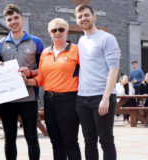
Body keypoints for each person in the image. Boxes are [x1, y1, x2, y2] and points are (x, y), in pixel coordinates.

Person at [20, 18, 81, 160]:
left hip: (68, 100)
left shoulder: (76, 50)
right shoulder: (45, 53)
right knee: (56, 143)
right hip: (49, 100)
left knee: (70, 142)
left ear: (67, 32)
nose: (57, 33)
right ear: (50, 33)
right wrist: (26, 81)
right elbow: (41, 78)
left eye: (61, 29)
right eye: (54, 30)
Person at [0, 4, 44, 160]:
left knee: (31, 137)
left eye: (16, 18)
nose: (13, 21)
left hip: (28, 98)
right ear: (5, 22)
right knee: (9, 138)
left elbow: (42, 70)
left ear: (22, 19)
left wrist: (29, 74)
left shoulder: (36, 42)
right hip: (7, 100)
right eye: (10, 19)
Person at [75, 4, 121, 160]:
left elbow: (114, 69)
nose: (84, 19)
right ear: (77, 20)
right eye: (80, 16)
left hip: (101, 97)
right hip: (82, 98)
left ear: (94, 17)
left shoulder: (107, 38)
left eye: (86, 15)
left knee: (106, 140)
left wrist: (106, 97)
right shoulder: (81, 41)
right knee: (89, 142)